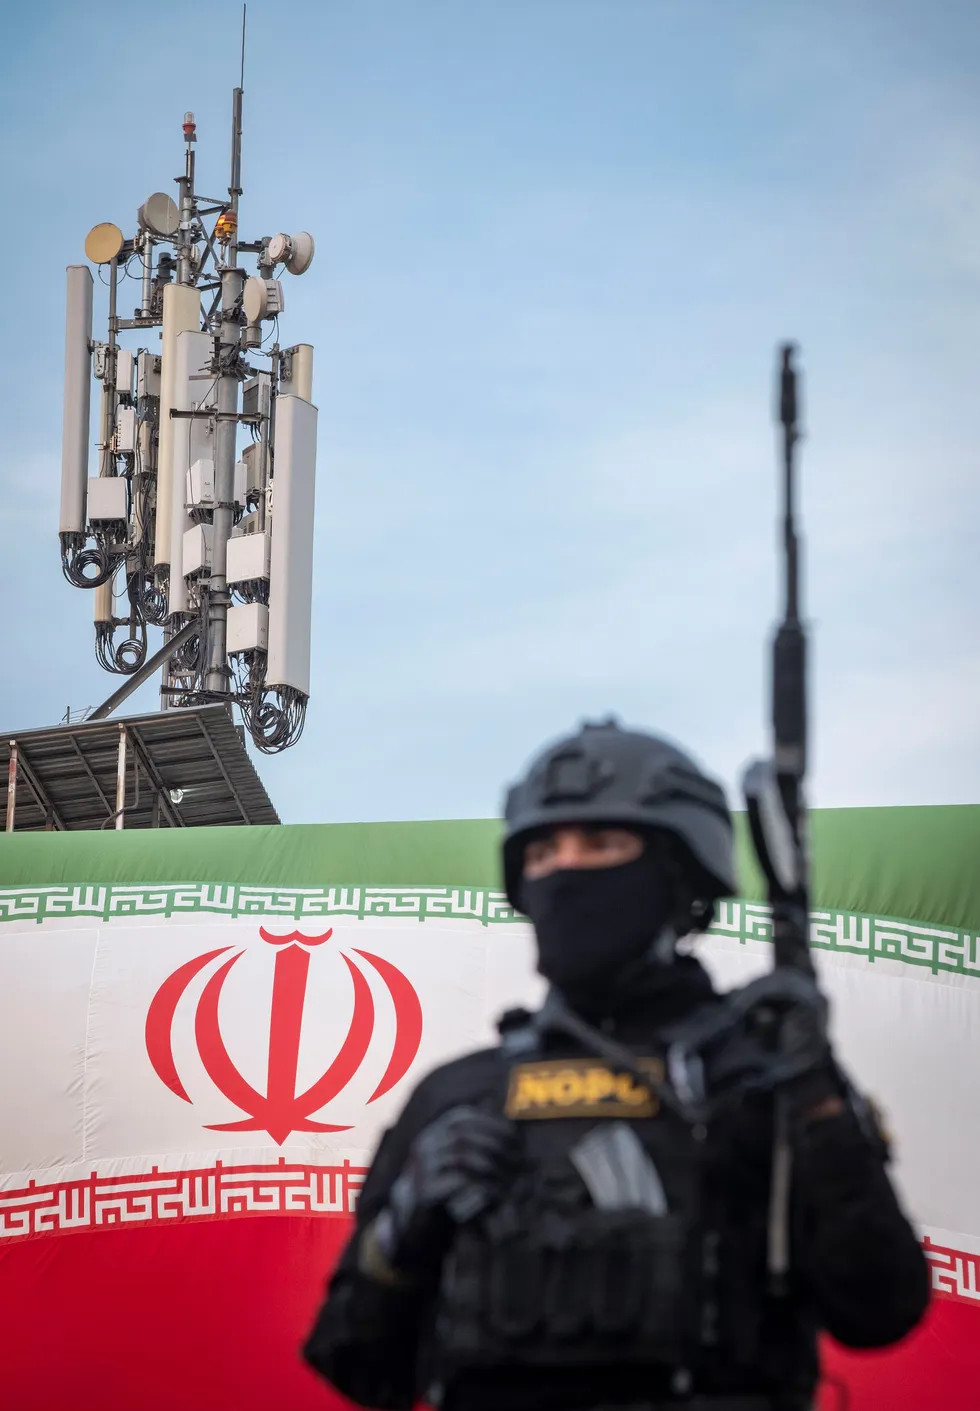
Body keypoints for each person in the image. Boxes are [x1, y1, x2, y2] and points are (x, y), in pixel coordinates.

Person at [303, 720, 929, 1411]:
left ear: (677, 871)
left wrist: (813, 1090)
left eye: (601, 843)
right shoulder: (462, 1094)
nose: (566, 868)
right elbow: (357, 1365)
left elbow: (880, 1305)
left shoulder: (757, 1073)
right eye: (543, 850)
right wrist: (403, 1225)